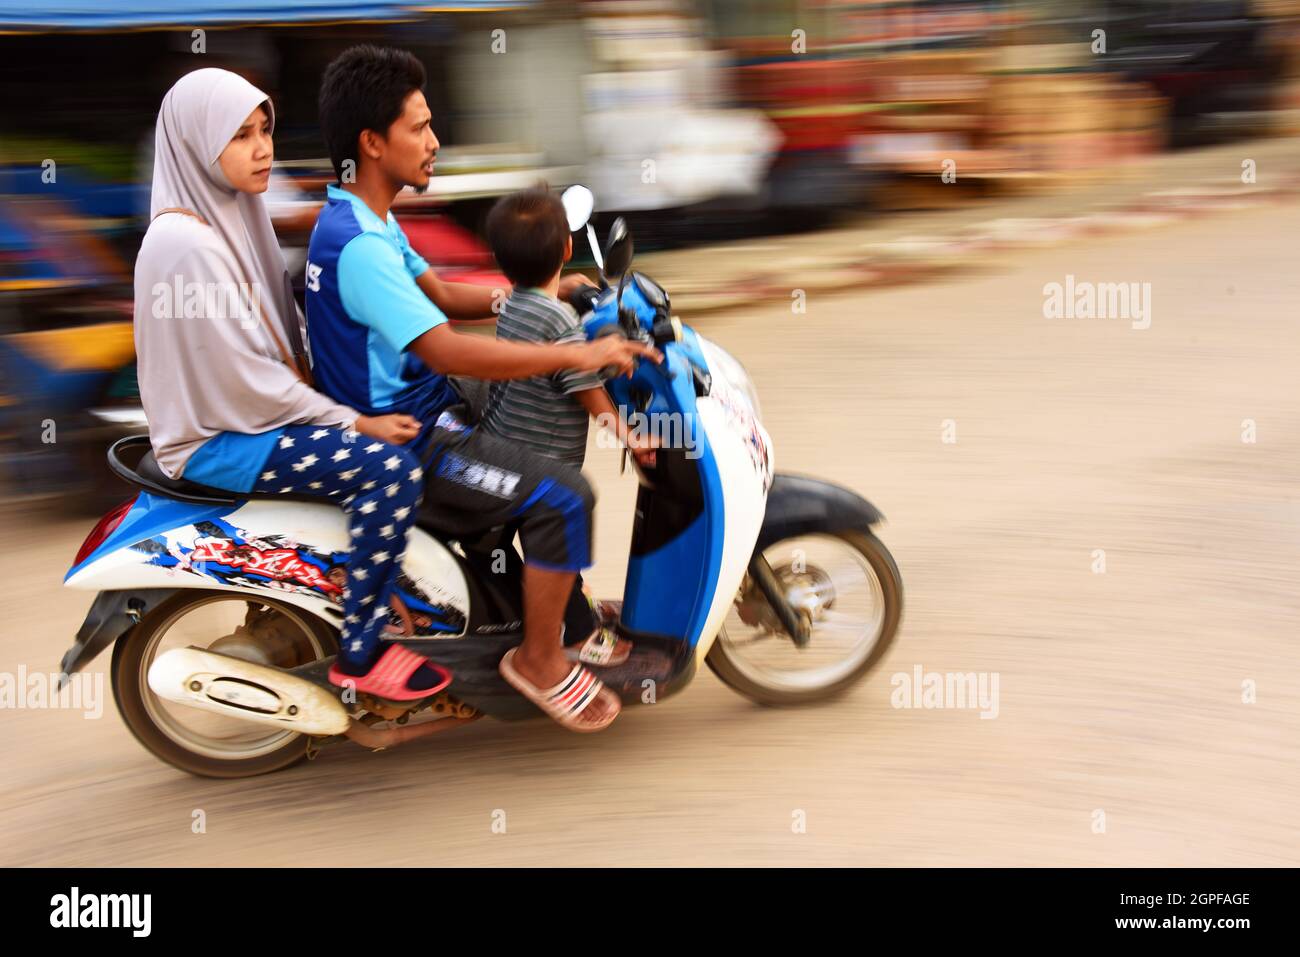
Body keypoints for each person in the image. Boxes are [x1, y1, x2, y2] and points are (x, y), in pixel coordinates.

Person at [306, 45, 658, 732]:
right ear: (373, 143)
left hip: (424, 403)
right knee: (563, 492)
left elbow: (441, 295)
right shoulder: (362, 249)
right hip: (409, 439)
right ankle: (537, 659)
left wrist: (537, 294)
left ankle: (565, 611)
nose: (434, 142)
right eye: (420, 128)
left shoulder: (363, 219)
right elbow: (443, 344)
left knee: (528, 439)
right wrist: (572, 349)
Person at [133, 67, 448, 702]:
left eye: (264, 130)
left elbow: (282, 330)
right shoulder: (185, 245)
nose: (262, 149)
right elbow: (245, 381)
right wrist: (349, 420)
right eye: (240, 136)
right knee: (388, 470)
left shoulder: (230, 214)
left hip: (248, 420)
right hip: (219, 440)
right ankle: (362, 651)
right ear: (196, 145)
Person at [479, 186, 660, 668]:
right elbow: (586, 390)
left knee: (542, 542)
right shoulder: (559, 323)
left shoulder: (517, 304)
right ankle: (578, 634)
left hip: (504, 443)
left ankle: (563, 611)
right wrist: (629, 434)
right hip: (541, 462)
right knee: (561, 533)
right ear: (565, 248)